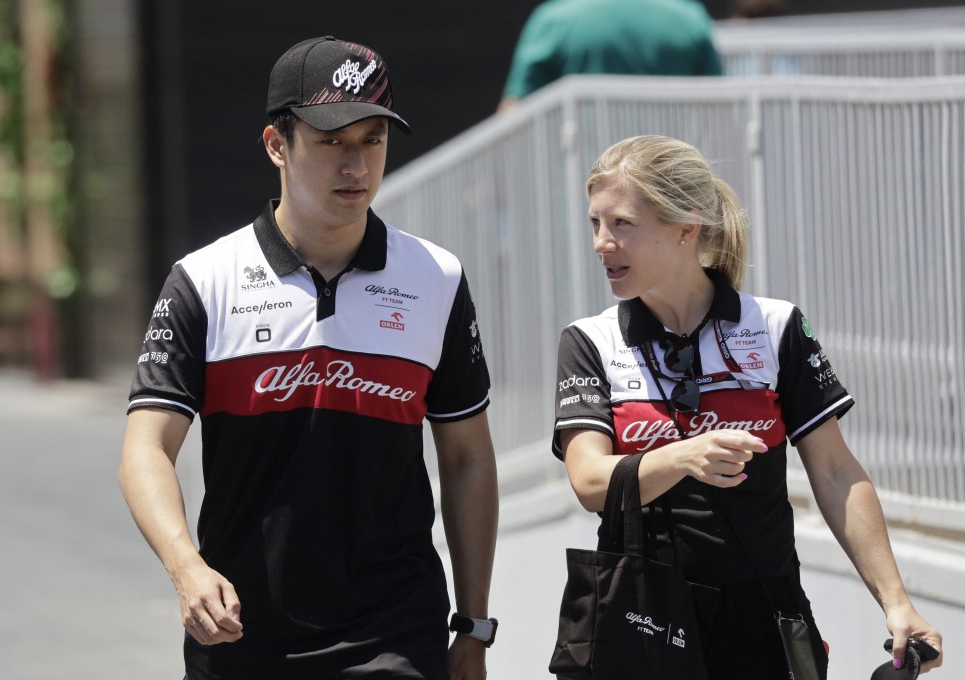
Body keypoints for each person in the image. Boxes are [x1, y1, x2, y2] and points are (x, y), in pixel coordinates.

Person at [119, 36, 499, 680]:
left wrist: (473, 625)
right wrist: (188, 569)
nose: (356, 165)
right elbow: (145, 448)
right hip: (242, 637)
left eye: (372, 140)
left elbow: (467, 457)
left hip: (397, 634)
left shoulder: (436, 276)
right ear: (277, 145)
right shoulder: (204, 279)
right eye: (331, 141)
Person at [551, 134, 943, 678]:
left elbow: (834, 471)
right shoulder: (589, 340)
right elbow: (590, 482)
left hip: (765, 615)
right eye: (595, 223)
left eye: (621, 224)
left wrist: (896, 601)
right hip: (643, 615)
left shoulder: (775, 325)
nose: (601, 242)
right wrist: (684, 456)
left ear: (686, 229)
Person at [498, 0, 723, 112]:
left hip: (582, 182)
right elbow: (720, 108)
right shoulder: (690, 17)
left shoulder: (553, 20)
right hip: (673, 186)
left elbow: (514, 110)